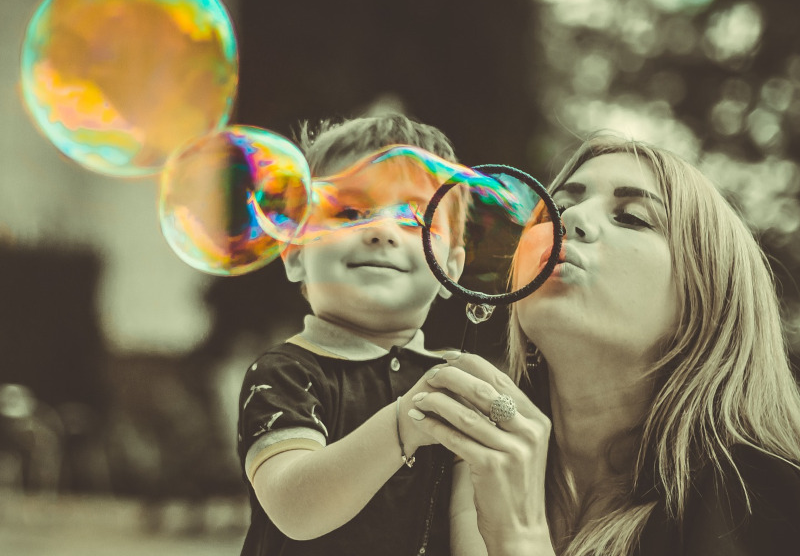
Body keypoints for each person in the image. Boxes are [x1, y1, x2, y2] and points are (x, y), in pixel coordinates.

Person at [405, 135, 800, 555]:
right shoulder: (435, 459)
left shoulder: (765, 504)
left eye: (631, 217)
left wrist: (518, 539)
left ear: (706, 300)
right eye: (554, 208)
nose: (570, 218)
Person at [236, 113, 469, 556]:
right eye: (349, 212)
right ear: (295, 255)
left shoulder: (454, 382)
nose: (381, 231)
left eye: (416, 215)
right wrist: (406, 422)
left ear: (451, 271)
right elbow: (295, 508)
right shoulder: (284, 374)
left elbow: (469, 531)